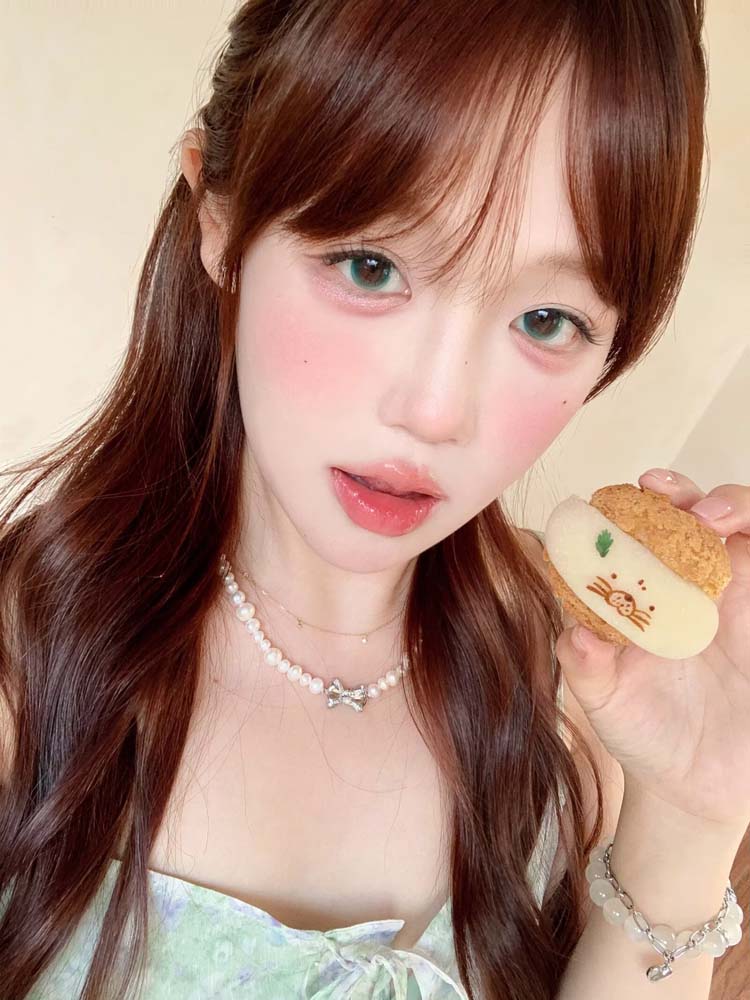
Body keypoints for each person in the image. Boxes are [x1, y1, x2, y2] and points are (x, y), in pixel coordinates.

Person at [0, 1, 748, 998]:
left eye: (545, 319)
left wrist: (690, 817)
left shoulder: (580, 703)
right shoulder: (26, 669)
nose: (436, 412)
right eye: (370, 266)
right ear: (219, 216)